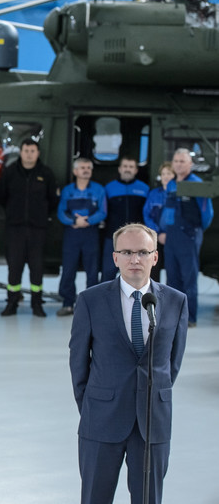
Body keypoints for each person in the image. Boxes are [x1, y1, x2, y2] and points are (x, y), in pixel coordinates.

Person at [69, 223, 187, 504]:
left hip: (151, 421)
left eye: (143, 252)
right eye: (127, 252)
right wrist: (92, 406)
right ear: (115, 258)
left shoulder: (175, 301)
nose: (135, 259)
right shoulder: (90, 301)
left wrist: (153, 397)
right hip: (101, 419)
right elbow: (78, 364)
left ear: (155, 258)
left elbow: (172, 363)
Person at [0, 139, 58, 317]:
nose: (29, 154)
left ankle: (36, 304)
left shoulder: (46, 174)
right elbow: (1, 195)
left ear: (38, 153)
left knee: (36, 268)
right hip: (14, 229)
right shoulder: (10, 172)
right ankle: (12, 303)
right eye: (26, 150)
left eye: (32, 151)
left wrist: (39, 214)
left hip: (37, 229)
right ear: (21, 152)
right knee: (14, 268)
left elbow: (53, 199)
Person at [160, 148, 214, 327]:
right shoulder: (172, 184)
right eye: (176, 161)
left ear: (190, 164)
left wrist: (194, 231)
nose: (178, 164)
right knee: (172, 277)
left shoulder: (197, 184)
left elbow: (207, 214)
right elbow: (167, 211)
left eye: (182, 161)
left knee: (189, 277)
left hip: (189, 236)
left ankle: (190, 318)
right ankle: (172, 317)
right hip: (171, 237)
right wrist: (164, 230)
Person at [56, 157, 107, 316]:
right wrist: (74, 221)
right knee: (68, 269)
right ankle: (67, 303)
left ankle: (92, 306)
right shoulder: (68, 191)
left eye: (88, 168)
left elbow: (103, 211)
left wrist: (88, 221)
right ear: (75, 171)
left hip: (90, 233)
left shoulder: (99, 190)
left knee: (92, 271)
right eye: (82, 167)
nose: (86, 170)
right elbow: (61, 212)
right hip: (72, 233)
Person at [101, 157, 150, 281]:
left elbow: (148, 213)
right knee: (108, 273)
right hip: (113, 238)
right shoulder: (109, 188)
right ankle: (106, 301)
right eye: (125, 166)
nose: (127, 169)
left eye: (131, 167)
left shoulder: (144, 189)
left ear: (136, 170)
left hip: (137, 240)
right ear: (120, 169)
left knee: (136, 275)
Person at [143, 162, 175, 282]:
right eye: (163, 174)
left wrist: (169, 234)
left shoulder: (178, 195)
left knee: (173, 271)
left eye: (169, 174)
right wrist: (157, 233)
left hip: (173, 238)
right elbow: (147, 214)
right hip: (156, 238)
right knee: (153, 269)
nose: (166, 176)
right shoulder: (153, 194)